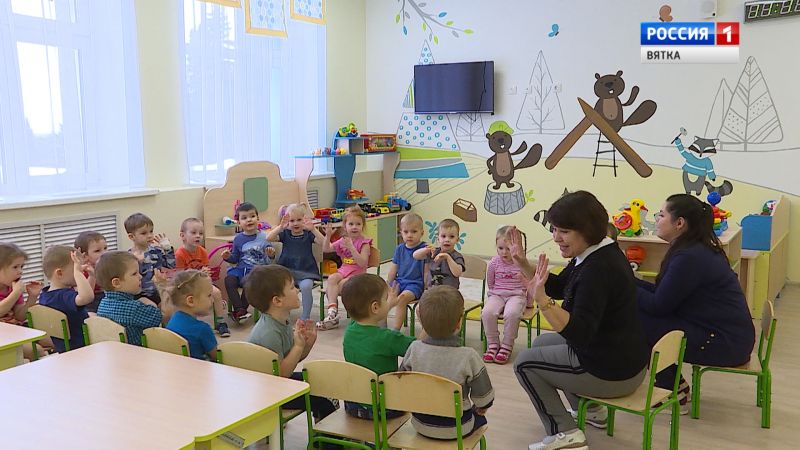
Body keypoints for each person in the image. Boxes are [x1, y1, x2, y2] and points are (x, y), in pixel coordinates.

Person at [511, 191, 649, 450]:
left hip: (613, 371)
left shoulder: (597, 269)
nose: (556, 237)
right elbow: (559, 286)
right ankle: (593, 411)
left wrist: (542, 301)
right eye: (554, 229)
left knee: (524, 364)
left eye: (564, 231)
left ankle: (565, 434)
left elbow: (578, 333)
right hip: (624, 358)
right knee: (541, 344)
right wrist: (522, 263)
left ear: (587, 230)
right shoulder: (596, 251)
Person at [637, 194, 755, 406]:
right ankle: (674, 387)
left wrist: (626, 287)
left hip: (724, 342)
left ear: (679, 223)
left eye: (661, 215)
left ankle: (672, 391)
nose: (656, 220)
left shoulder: (689, 257)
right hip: (729, 336)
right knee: (638, 311)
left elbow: (658, 305)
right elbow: (663, 295)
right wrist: (628, 282)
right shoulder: (695, 249)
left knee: (637, 316)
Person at [246, 265, 338, 425]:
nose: (297, 290)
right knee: (324, 399)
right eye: (291, 287)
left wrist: (306, 344)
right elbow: (282, 374)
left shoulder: (282, 319)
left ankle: (323, 433)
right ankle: (328, 438)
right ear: (277, 301)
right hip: (268, 393)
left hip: (275, 383)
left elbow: (292, 360)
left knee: (325, 382)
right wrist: (298, 346)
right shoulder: (269, 332)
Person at [399, 285, 494, 440]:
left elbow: (401, 383)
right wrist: (481, 407)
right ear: (459, 323)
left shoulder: (414, 349)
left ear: (421, 320)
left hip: (420, 424)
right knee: (480, 418)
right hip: (457, 428)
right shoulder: (469, 356)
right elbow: (485, 398)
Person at [341, 273, 416, 419]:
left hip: (353, 405)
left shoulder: (350, 329)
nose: (389, 301)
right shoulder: (389, 338)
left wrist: (390, 304)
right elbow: (420, 349)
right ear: (375, 307)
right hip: (383, 408)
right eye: (386, 299)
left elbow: (371, 316)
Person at [267, 204, 325, 321]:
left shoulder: (308, 234)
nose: (295, 223)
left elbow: (323, 243)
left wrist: (313, 229)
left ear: (304, 219)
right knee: (279, 287)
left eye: (299, 220)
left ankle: (305, 317)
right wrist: (280, 227)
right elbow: (269, 238)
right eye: (292, 221)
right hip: (287, 272)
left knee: (306, 287)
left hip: (306, 271)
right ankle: (282, 314)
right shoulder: (285, 234)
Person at [221, 202, 276, 323]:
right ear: (239, 222)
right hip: (241, 269)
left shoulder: (264, 237)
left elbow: (270, 259)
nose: (249, 220)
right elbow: (235, 258)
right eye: (244, 218)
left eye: (252, 216)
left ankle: (240, 311)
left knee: (249, 282)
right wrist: (228, 257)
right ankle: (240, 310)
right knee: (229, 280)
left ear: (258, 218)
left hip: (257, 271)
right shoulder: (238, 239)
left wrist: (271, 254)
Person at [319, 206, 372, 330]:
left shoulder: (364, 243)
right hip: (344, 270)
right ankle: (332, 311)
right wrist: (327, 236)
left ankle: (336, 318)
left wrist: (351, 248)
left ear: (363, 226)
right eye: (351, 224)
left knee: (337, 287)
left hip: (358, 275)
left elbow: (362, 263)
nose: (354, 227)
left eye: (358, 224)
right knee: (332, 279)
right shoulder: (343, 240)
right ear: (345, 226)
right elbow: (326, 249)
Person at [481, 226, 528, 365]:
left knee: (512, 313)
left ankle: (507, 345)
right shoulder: (494, 263)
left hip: (516, 296)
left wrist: (530, 302)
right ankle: (493, 344)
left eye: (508, 248)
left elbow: (528, 283)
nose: (504, 252)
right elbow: (490, 282)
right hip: (497, 294)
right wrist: (494, 295)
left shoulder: (522, 262)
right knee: (487, 312)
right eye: (500, 248)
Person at [175, 218, 230, 337]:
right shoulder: (179, 254)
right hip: (186, 286)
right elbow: (180, 277)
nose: (198, 236)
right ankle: (191, 324)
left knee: (216, 293)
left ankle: (221, 322)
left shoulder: (203, 251)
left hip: (201, 283)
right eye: (193, 233)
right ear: (183, 236)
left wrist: (205, 274)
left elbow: (206, 273)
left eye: (201, 233)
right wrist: (198, 273)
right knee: (189, 299)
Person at [96, 251, 163, 346]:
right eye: (134, 274)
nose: (140, 277)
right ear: (117, 283)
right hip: (138, 352)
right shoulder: (133, 309)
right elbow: (159, 318)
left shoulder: (102, 304)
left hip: (114, 351)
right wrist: (150, 303)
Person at [37, 246, 94, 353]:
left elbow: (84, 294)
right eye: (76, 268)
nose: (81, 271)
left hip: (63, 346)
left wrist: (91, 277)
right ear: (59, 273)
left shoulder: (46, 295)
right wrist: (78, 273)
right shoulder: (64, 296)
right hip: (80, 347)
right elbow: (87, 297)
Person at [0, 242, 48, 359]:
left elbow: (20, 316)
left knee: (50, 340)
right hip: (3, 336)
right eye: (15, 267)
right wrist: (15, 293)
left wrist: (32, 297)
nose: (20, 271)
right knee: (37, 351)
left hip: (15, 329)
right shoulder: (15, 290)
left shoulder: (12, 287)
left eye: (21, 267)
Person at [124, 213, 176, 305]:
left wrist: (168, 249)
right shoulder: (129, 256)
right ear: (131, 237)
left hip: (157, 290)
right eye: (144, 233)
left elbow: (171, 265)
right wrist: (137, 262)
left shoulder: (156, 251)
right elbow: (128, 278)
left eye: (151, 231)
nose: (149, 235)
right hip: (139, 294)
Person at [165, 270, 218, 360]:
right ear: (190, 301)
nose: (213, 300)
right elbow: (218, 357)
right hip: (198, 368)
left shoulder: (172, 320)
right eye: (209, 295)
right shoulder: (202, 329)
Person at [386, 213, 427, 331]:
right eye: (406, 232)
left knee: (402, 298)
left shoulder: (424, 249)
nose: (409, 235)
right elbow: (393, 269)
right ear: (401, 232)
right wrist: (388, 285)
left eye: (414, 231)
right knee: (382, 295)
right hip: (400, 281)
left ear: (422, 233)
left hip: (415, 284)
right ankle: (381, 327)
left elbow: (427, 271)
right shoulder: (399, 248)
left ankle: (396, 331)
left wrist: (426, 288)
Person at [413, 218, 465, 289]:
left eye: (451, 237)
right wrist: (426, 250)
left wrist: (448, 257)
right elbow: (415, 256)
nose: (447, 240)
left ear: (457, 240)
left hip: (449, 292)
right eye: (443, 236)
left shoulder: (457, 256)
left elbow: (457, 273)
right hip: (432, 290)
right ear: (438, 239)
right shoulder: (434, 252)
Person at [74, 230, 108, 314]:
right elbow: (87, 295)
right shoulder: (82, 270)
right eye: (97, 251)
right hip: (91, 301)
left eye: (105, 248)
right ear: (85, 255)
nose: (104, 253)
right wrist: (92, 276)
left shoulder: (106, 265)